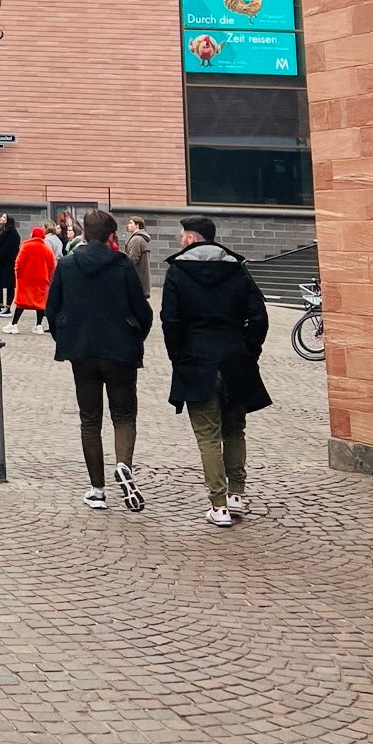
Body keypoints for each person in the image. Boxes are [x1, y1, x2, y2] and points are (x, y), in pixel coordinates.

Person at [161, 215, 271, 526]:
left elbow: (170, 320)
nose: (180, 240)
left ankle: (218, 504)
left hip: (196, 360)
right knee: (235, 430)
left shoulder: (177, 271)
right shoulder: (237, 268)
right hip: (235, 360)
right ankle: (236, 494)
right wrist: (249, 349)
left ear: (192, 238)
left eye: (183, 235)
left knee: (208, 435)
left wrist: (178, 356)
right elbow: (259, 316)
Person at [45, 209, 154, 511]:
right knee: (124, 415)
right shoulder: (122, 266)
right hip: (120, 351)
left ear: (84, 234)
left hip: (82, 352)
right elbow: (142, 311)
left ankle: (97, 490)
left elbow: (52, 308)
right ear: (111, 236)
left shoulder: (67, 265)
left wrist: (65, 336)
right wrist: (135, 334)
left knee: (90, 419)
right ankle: (123, 464)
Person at [8, 225, 54, 332]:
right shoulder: (47, 249)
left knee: (21, 302)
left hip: (26, 279)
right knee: (40, 304)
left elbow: (19, 263)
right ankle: (39, 325)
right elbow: (52, 266)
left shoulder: (26, 246)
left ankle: (14, 324)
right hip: (42, 280)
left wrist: (18, 276)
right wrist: (48, 279)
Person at [123, 217, 151, 299]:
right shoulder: (141, 238)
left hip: (137, 282)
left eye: (130, 223)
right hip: (141, 281)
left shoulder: (136, 239)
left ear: (137, 225)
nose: (128, 225)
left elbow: (132, 260)